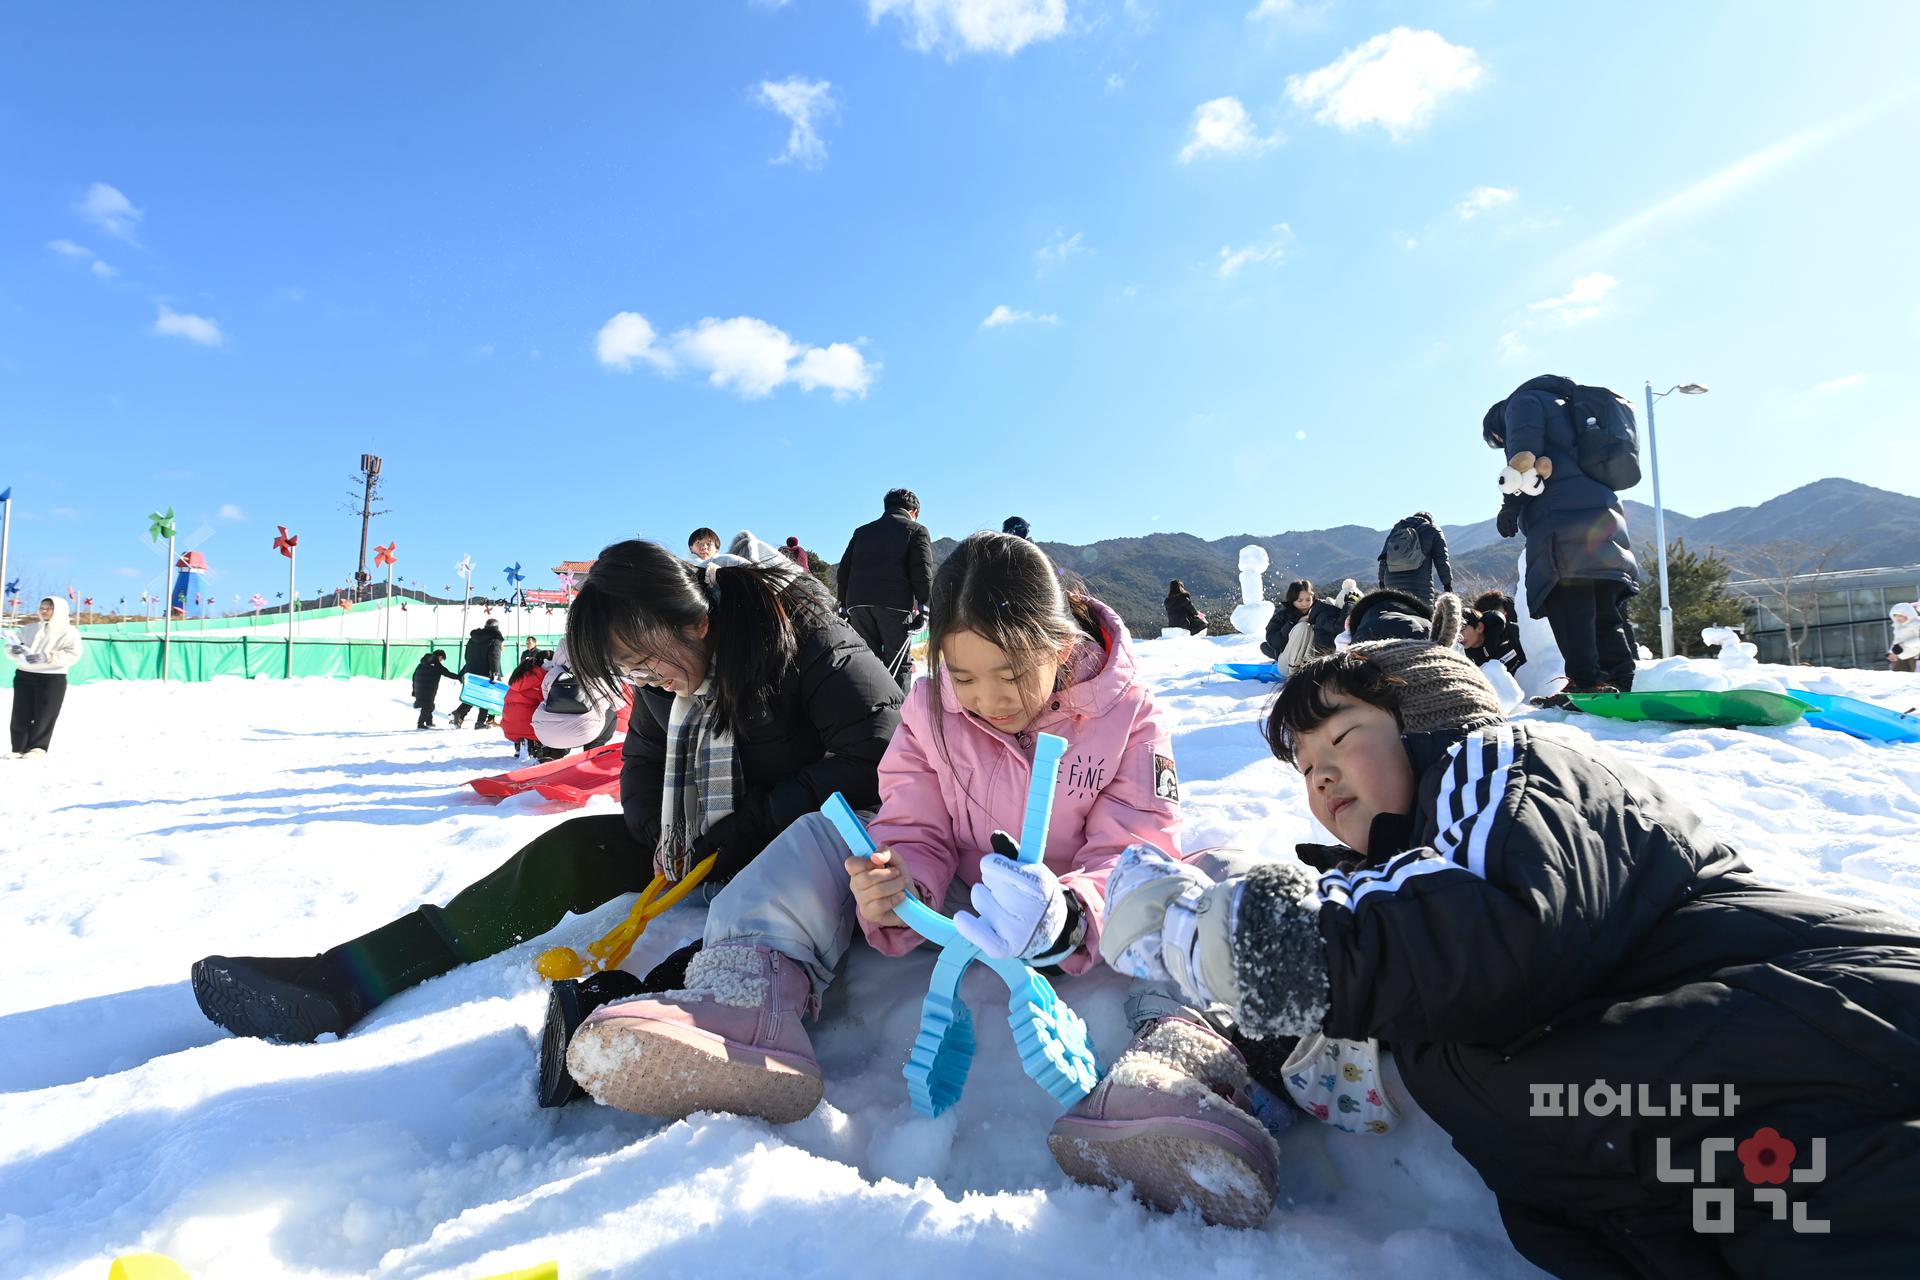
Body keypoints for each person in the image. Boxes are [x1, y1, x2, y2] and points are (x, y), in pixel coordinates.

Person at [1100, 627, 1920, 1268]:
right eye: (1304, 766)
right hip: (1712, 1161)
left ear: (1431, 726)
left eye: (1341, 739)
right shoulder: (1400, 895)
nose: (1317, 777)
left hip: (1834, 1043)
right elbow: (1404, 969)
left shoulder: (1506, 768)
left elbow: (1486, 925)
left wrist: (1223, 936)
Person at [562, 534, 1280, 1226]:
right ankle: (749, 993)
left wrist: (1066, 914)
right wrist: (902, 882)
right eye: (964, 676)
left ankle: (1177, 1071)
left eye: (1011, 674)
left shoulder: (1128, 715)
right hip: (966, 897)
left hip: (1083, 901)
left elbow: (1133, 844)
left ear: (1061, 645)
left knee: (1212, 877)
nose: (989, 699)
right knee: (819, 835)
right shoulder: (931, 711)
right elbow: (914, 821)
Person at [189, 540, 905, 1047]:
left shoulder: (803, 634)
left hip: (811, 841)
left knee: (757, 911)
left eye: (649, 658)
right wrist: (660, 835)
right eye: (630, 671)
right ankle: (343, 981)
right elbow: (645, 772)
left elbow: (880, 750)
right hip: (709, 839)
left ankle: (621, 1024)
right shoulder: (669, 681)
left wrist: (753, 825)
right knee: (565, 852)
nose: (646, 680)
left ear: (698, 621)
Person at [1485, 376, 1638, 694]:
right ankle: (1620, 679)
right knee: (1604, 609)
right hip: (1604, 516)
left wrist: (1510, 507)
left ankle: (1585, 683)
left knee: (1568, 601)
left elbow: (1524, 460)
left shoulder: (1523, 404)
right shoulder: (1574, 407)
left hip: (1559, 518)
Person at [837, 487, 935, 693]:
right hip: (894, 603)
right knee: (899, 662)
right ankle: (899, 715)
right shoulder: (916, 530)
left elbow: (844, 569)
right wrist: (924, 606)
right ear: (914, 512)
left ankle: (870, 711)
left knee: (867, 661)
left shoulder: (862, 532)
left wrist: (844, 605)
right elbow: (921, 570)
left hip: (858, 603)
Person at [5, 596, 83, 757]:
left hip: (52, 677)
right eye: (42, 607)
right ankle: (18, 747)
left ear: (59, 610)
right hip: (25, 674)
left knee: (45, 713)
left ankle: (38, 748)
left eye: (49, 607)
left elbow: (72, 654)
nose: (44, 610)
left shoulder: (69, 632)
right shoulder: (29, 628)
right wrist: (13, 650)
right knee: (20, 712)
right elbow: (12, 643)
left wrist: (46, 657)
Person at [1376, 511, 1453, 605]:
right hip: (1419, 587)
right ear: (1430, 521)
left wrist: (1381, 582)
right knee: (1425, 616)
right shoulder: (1432, 529)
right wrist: (1447, 585)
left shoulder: (1397, 529)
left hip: (1391, 585)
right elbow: (1441, 560)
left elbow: (1384, 558)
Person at [501, 647, 560, 757]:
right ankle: (534, 745)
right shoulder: (542, 678)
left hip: (509, 727)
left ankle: (521, 744)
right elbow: (549, 703)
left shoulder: (521, 674)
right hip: (530, 728)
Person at [449, 618, 506, 729]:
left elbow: (466, 656)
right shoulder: (495, 639)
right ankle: (479, 722)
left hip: (471, 671)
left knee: (474, 695)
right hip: (486, 672)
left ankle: (459, 715)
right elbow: (495, 657)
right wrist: (495, 673)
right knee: (486, 696)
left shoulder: (473, 639)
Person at [1464, 589, 1527, 675]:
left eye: (1505, 615)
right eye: (1497, 619)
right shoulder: (1469, 651)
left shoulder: (1517, 631)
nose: (1502, 622)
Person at [1260, 579, 1313, 661]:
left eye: (1308, 600)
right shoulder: (1282, 616)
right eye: (1300, 600)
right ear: (1292, 600)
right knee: (1265, 646)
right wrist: (1294, 623)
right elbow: (1275, 642)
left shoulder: (1317, 611)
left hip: (1312, 653)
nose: (1305, 604)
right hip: (1290, 655)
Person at [409, 648, 462, 730]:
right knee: (428, 705)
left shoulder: (422, 663)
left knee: (429, 705)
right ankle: (420, 724)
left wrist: (414, 689)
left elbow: (414, 676)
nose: (441, 661)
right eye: (442, 659)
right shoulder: (436, 664)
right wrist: (459, 677)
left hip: (419, 687)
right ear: (440, 657)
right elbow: (447, 673)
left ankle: (429, 722)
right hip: (428, 689)